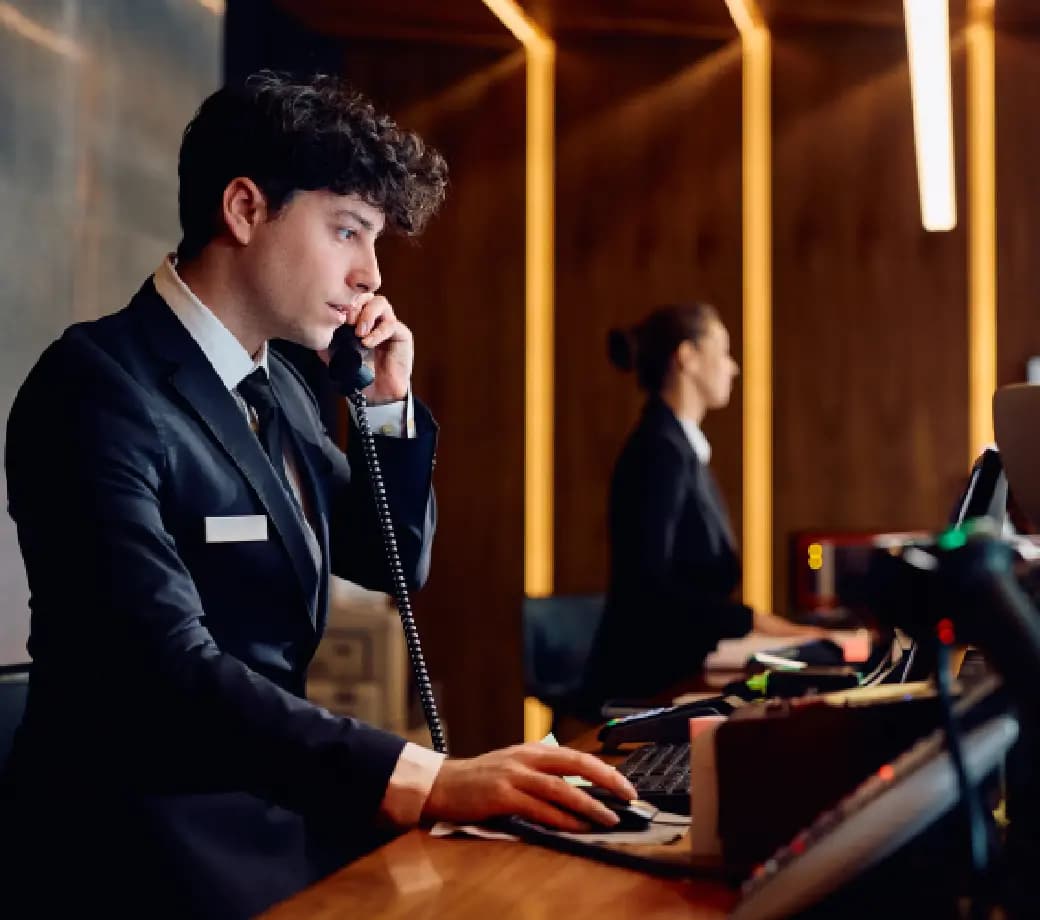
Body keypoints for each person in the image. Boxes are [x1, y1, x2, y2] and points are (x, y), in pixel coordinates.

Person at [0, 72, 634, 919]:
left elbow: (393, 562)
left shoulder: (285, 391)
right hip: (139, 858)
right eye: (347, 231)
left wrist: (382, 406)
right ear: (244, 209)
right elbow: (166, 670)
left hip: (276, 823)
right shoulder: (95, 387)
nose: (371, 274)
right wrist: (427, 777)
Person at [580, 303, 821, 710]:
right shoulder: (660, 450)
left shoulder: (678, 447)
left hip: (676, 670)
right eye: (723, 351)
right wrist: (759, 624)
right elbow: (651, 590)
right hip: (647, 685)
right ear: (687, 357)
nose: (733, 367)